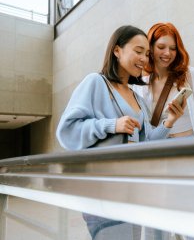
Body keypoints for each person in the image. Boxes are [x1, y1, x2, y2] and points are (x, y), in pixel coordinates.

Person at [56, 25, 186, 239]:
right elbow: (66, 131)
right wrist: (111, 125)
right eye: (138, 51)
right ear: (117, 50)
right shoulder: (96, 82)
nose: (144, 59)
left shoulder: (138, 98)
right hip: (103, 192)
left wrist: (169, 122)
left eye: (146, 54)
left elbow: (147, 141)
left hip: (132, 191)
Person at [133, 22, 194, 138]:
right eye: (161, 47)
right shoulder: (141, 84)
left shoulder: (191, 75)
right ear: (150, 48)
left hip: (190, 148)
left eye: (173, 48)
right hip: (161, 151)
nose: (167, 53)